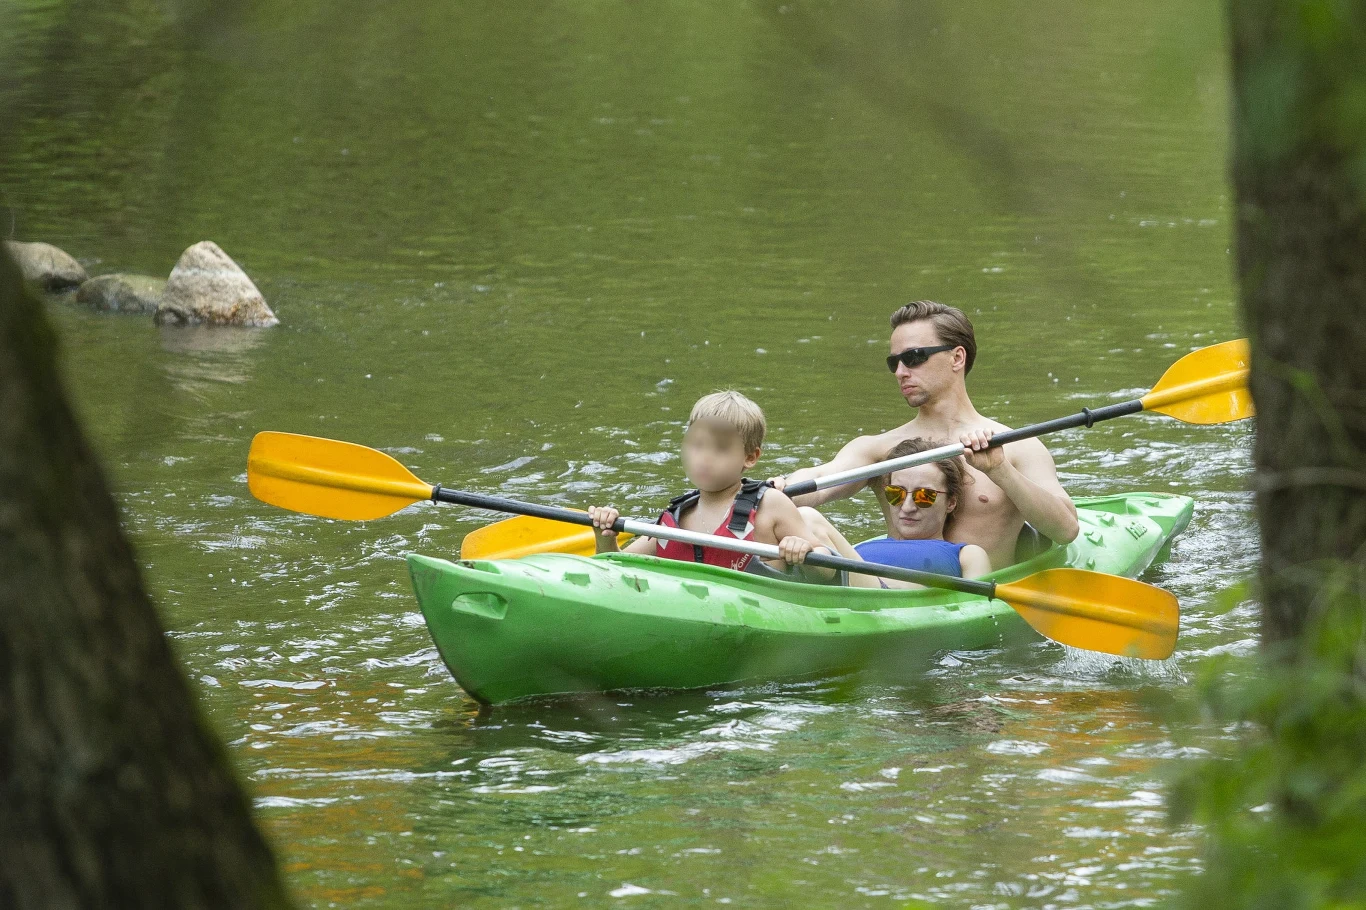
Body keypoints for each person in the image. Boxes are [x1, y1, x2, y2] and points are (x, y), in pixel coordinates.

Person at [774, 300, 1079, 569]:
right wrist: (780, 487)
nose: (901, 372)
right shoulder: (878, 448)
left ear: (957, 358)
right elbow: (821, 480)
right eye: (895, 362)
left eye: (915, 357)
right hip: (903, 590)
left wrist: (1001, 472)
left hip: (977, 592)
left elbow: (1066, 530)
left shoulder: (1017, 446)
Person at [588, 390, 835, 581]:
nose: (705, 458)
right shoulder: (676, 516)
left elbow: (827, 570)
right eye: (697, 445)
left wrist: (803, 551)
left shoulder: (770, 505)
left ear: (750, 457)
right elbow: (614, 570)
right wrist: (605, 536)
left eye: (721, 448)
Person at [801, 438, 992, 589]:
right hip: (847, 595)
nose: (907, 506)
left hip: (890, 603)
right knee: (802, 526)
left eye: (924, 496)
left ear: (950, 502)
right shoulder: (858, 548)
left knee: (808, 518)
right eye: (896, 494)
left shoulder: (966, 554)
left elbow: (981, 611)